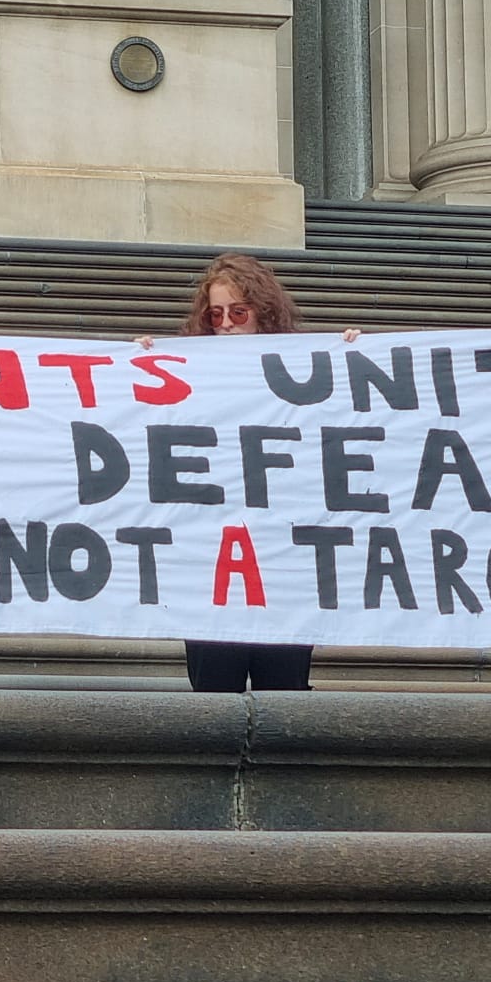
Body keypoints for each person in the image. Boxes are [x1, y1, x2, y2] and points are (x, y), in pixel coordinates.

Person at [156, 253, 357, 693]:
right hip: (213, 565)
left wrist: (355, 359)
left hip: (284, 565)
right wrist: (130, 370)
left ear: (262, 315)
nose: (226, 323)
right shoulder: (188, 373)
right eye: (216, 314)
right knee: (213, 693)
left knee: (283, 692)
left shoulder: (306, 369)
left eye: (238, 312)